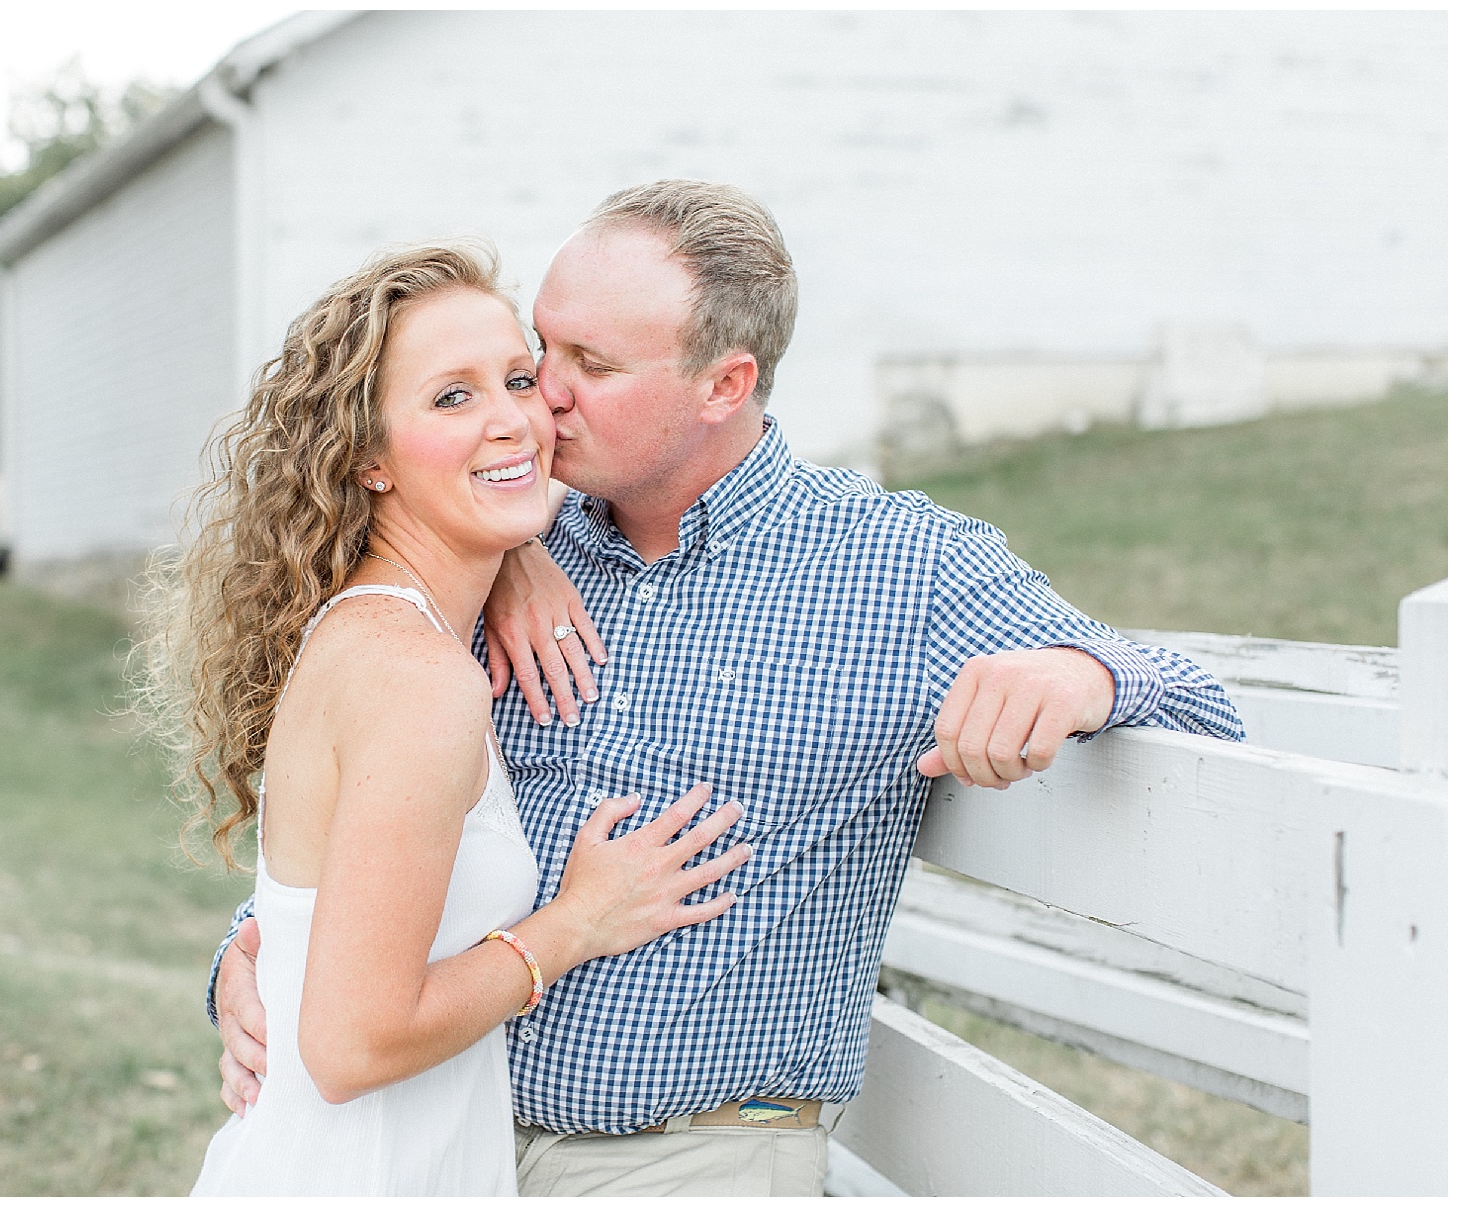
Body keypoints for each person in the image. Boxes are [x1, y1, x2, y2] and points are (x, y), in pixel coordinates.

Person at [208, 181, 1247, 1196]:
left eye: (589, 365)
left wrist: (1081, 671)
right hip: (443, 1132)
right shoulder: (497, 543)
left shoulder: (901, 568)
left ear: (724, 384)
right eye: (541, 351)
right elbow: (373, 828)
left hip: (691, 1155)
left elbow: (1208, 708)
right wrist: (250, 957)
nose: (542, 396)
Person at [145, 241, 752, 1196]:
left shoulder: (384, 631)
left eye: (519, 378)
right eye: (452, 397)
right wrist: (576, 922)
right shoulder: (418, 678)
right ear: (369, 460)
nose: (514, 419)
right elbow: (351, 1045)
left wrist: (518, 553)